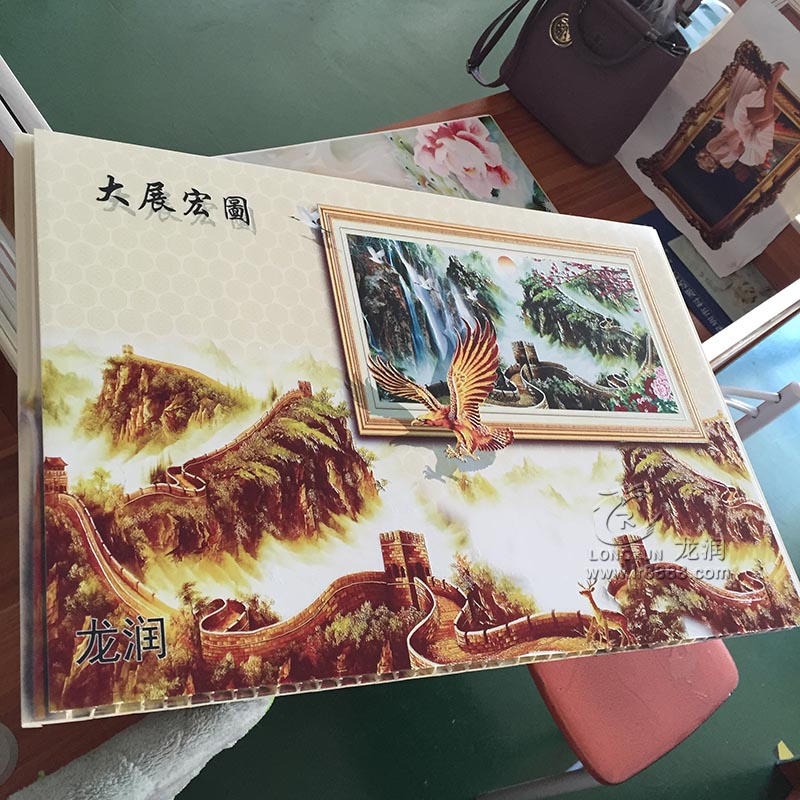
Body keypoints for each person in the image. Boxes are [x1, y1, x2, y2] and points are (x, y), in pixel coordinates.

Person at [695, 61, 788, 173]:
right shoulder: (727, 161)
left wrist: (745, 132)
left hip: (736, 125)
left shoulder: (711, 148)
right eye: (708, 164)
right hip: (745, 134)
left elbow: (730, 136)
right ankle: (782, 90)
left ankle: (776, 75)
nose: (708, 162)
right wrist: (749, 138)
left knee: (767, 113)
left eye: (705, 161)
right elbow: (740, 148)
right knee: (772, 117)